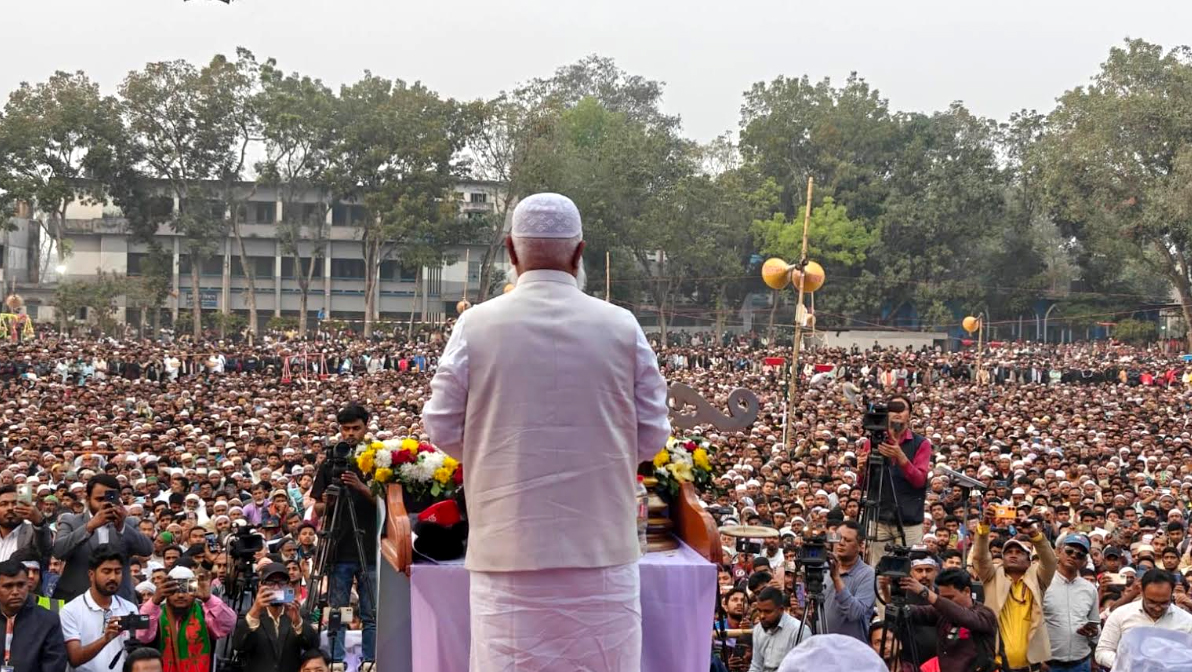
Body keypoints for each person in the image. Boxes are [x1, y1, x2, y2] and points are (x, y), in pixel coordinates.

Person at [423, 193, 671, 672]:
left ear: (510, 253)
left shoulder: (475, 325)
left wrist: (493, 452)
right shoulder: (621, 326)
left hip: (506, 552)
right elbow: (652, 436)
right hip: (602, 549)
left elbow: (442, 426)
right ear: (580, 254)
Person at [310, 404, 377, 668]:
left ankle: (370, 661)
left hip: (370, 548)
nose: (350, 434)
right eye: (345, 429)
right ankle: (336, 661)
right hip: (339, 550)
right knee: (337, 612)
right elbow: (316, 507)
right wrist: (327, 502)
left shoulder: (377, 460)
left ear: (366, 427)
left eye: (355, 428)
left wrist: (361, 487)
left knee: (370, 613)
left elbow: (386, 503)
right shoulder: (331, 462)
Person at [970, 507, 1056, 672]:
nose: (1013, 555)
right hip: (997, 664)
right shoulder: (992, 576)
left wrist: (1034, 534)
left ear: (1029, 560)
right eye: (1008, 552)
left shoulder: (1037, 578)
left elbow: (1050, 561)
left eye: (1019, 552)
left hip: (1030, 666)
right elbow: (980, 557)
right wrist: (984, 528)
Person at [52, 474, 153, 602]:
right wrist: (90, 526)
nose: (104, 504)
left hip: (119, 600)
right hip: (76, 598)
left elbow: (147, 550)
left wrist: (121, 527)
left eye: (110, 499)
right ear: (87, 499)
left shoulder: (129, 523)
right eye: (99, 499)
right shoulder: (71, 521)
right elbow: (59, 551)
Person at [856, 397, 932, 566]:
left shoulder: (921, 444)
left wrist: (900, 457)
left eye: (901, 409)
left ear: (909, 415)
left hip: (909, 522)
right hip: (879, 519)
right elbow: (863, 485)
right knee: (878, 572)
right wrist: (861, 471)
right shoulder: (872, 442)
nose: (897, 413)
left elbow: (919, 481)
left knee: (908, 571)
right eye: (893, 409)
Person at [134, 564, 236, 672]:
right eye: (175, 590)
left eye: (185, 588)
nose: (180, 595)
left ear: (194, 588)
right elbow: (141, 636)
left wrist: (209, 599)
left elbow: (228, 624)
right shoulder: (154, 613)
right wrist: (154, 601)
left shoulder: (204, 611)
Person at [898, 568, 998, 672]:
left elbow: (964, 616)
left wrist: (926, 593)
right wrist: (891, 592)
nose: (945, 602)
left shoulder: (985, 614)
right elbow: (913, 612)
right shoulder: (941, 612)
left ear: (967, 591)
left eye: (950, 597)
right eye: (943, 598)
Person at [59, 545, 141, 672]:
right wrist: (105, 639)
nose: (113, 577)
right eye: (106, 571)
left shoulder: (130, 608)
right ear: (91, 575)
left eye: (118, 571)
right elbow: (74, 658)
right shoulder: (70, 611)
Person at [230, 562, 318, 672]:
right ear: (261, 586)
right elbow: (238, 645)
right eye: (271, 583)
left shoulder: (300, 614)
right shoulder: (249, 615)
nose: (276, 587)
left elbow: (313, 646)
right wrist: (255, 610)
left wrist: (298, 622)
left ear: (288, 586)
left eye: (281, 582)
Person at [1096, 568, 1192, 669]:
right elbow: (1102, 652)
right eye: (1151, 602)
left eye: (1164, 603)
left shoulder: (1187, 621)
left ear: (1172, 593)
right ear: (1142, 591)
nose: (1157, 608)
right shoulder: (1120, 615)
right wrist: (1128, 664)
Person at [1042, 533, 1099, 672]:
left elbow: (1094, 627)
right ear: (1059, 551)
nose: (1073, 556)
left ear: (1085, 561)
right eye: (1069, 551)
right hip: (1048, 664)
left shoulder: (1090, 589)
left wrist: (1091, 631)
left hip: (1081, 663)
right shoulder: (1042, 583)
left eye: (1080, 555)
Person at [0, 559, 67, 672]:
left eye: (21, 585)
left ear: (27, 585)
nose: (15, 591)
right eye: (8, 586)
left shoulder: (49, 621)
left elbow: (54, 665)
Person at [824, 521, 876, 642]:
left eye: (847, 540)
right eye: (838, 538)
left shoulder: (868, 574)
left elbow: (855, 613)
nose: (840, 543)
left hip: (850, 648)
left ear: (861, 545)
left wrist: (836, 578)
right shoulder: (824, 567)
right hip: (823, 644)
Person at [748, 587, 807, 672]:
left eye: (767, 612)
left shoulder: (799, 630)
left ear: (781, 610)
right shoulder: (758, 629)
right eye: (759, 611)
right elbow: (756, 666)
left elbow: (804, 667)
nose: (762, 616)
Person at [0, 484, 51, 564]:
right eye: (3, 504)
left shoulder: (33, 533)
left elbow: (44, 550)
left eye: (15, 503)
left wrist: (38, 522)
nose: (10, 508)